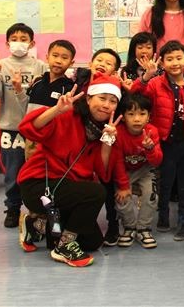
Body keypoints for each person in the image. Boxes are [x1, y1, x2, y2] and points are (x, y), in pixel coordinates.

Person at [16, 73, 124, 267]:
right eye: (102, 98)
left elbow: (102, 171)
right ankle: (64, 246)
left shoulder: (105, 130)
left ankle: (35, 225)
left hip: (67, 193)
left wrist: (107, 141)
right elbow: (28, 128)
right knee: (96, 192)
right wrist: (56, 110)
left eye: (113, 101)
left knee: (92, 241)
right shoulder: (68, 114)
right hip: (40, 185)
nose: (106, 105)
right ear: (89, 98)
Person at [130, 40, 184, 241]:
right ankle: (163, 216)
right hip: (166, 142)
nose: (175, 63)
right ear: (162, 63)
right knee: (165, 183)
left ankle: (183, 221)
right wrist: (146, 77)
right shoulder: (155, 84)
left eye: (179, 58)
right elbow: (135, 96)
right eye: (169, 59)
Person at [0, 23, 48, 228]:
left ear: (32, 43)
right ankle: (13, 208)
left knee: (37, 172)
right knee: (12, 174)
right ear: (7, 43)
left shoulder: (40, 66)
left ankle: (38, 211)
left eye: (23, 39)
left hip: (36, 129)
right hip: (11, 129)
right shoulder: (1, 65)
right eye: (14, 39)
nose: (18, 42)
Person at [72, 47, 123, 246]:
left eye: (109, 63)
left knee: (107, 183)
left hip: (104, 142)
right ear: (90, 63)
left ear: (114, 71)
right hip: (79, 148)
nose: (102, 64)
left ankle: (112, 224)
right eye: (99, 60)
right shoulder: (76, 85)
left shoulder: (117, 91)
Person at [114, 93, 163, 249]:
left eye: (142, 114)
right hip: (124, 171)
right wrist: (123, 186)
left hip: (145, 169)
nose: (137, 119)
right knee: (121, 197)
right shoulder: (118, 132)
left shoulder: (152, 131)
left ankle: (143, 228)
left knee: (151, 195)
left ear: (149, 117)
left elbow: (157, 161)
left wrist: (150, 149)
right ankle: (129, 227)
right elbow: (117, 161)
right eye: (131, 114)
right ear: (123, 117)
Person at [24, 39, 77, 159]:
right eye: (55, 55)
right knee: (31, 167)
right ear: (47, 57)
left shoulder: (69, 88)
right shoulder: (37, 81)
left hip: (53, 139)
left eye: (64, 58)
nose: (58, 61)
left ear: (71, 62)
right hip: (31, 137)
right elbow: (26, 106)